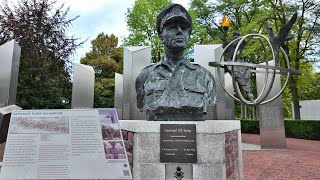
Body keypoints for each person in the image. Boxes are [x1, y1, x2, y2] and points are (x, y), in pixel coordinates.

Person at [135, 3, 216, 121]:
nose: (179, 31)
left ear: (188, 36)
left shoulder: (205, 76)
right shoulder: (145, 76)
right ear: (161, 37)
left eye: (184, 28)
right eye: (172, 27)